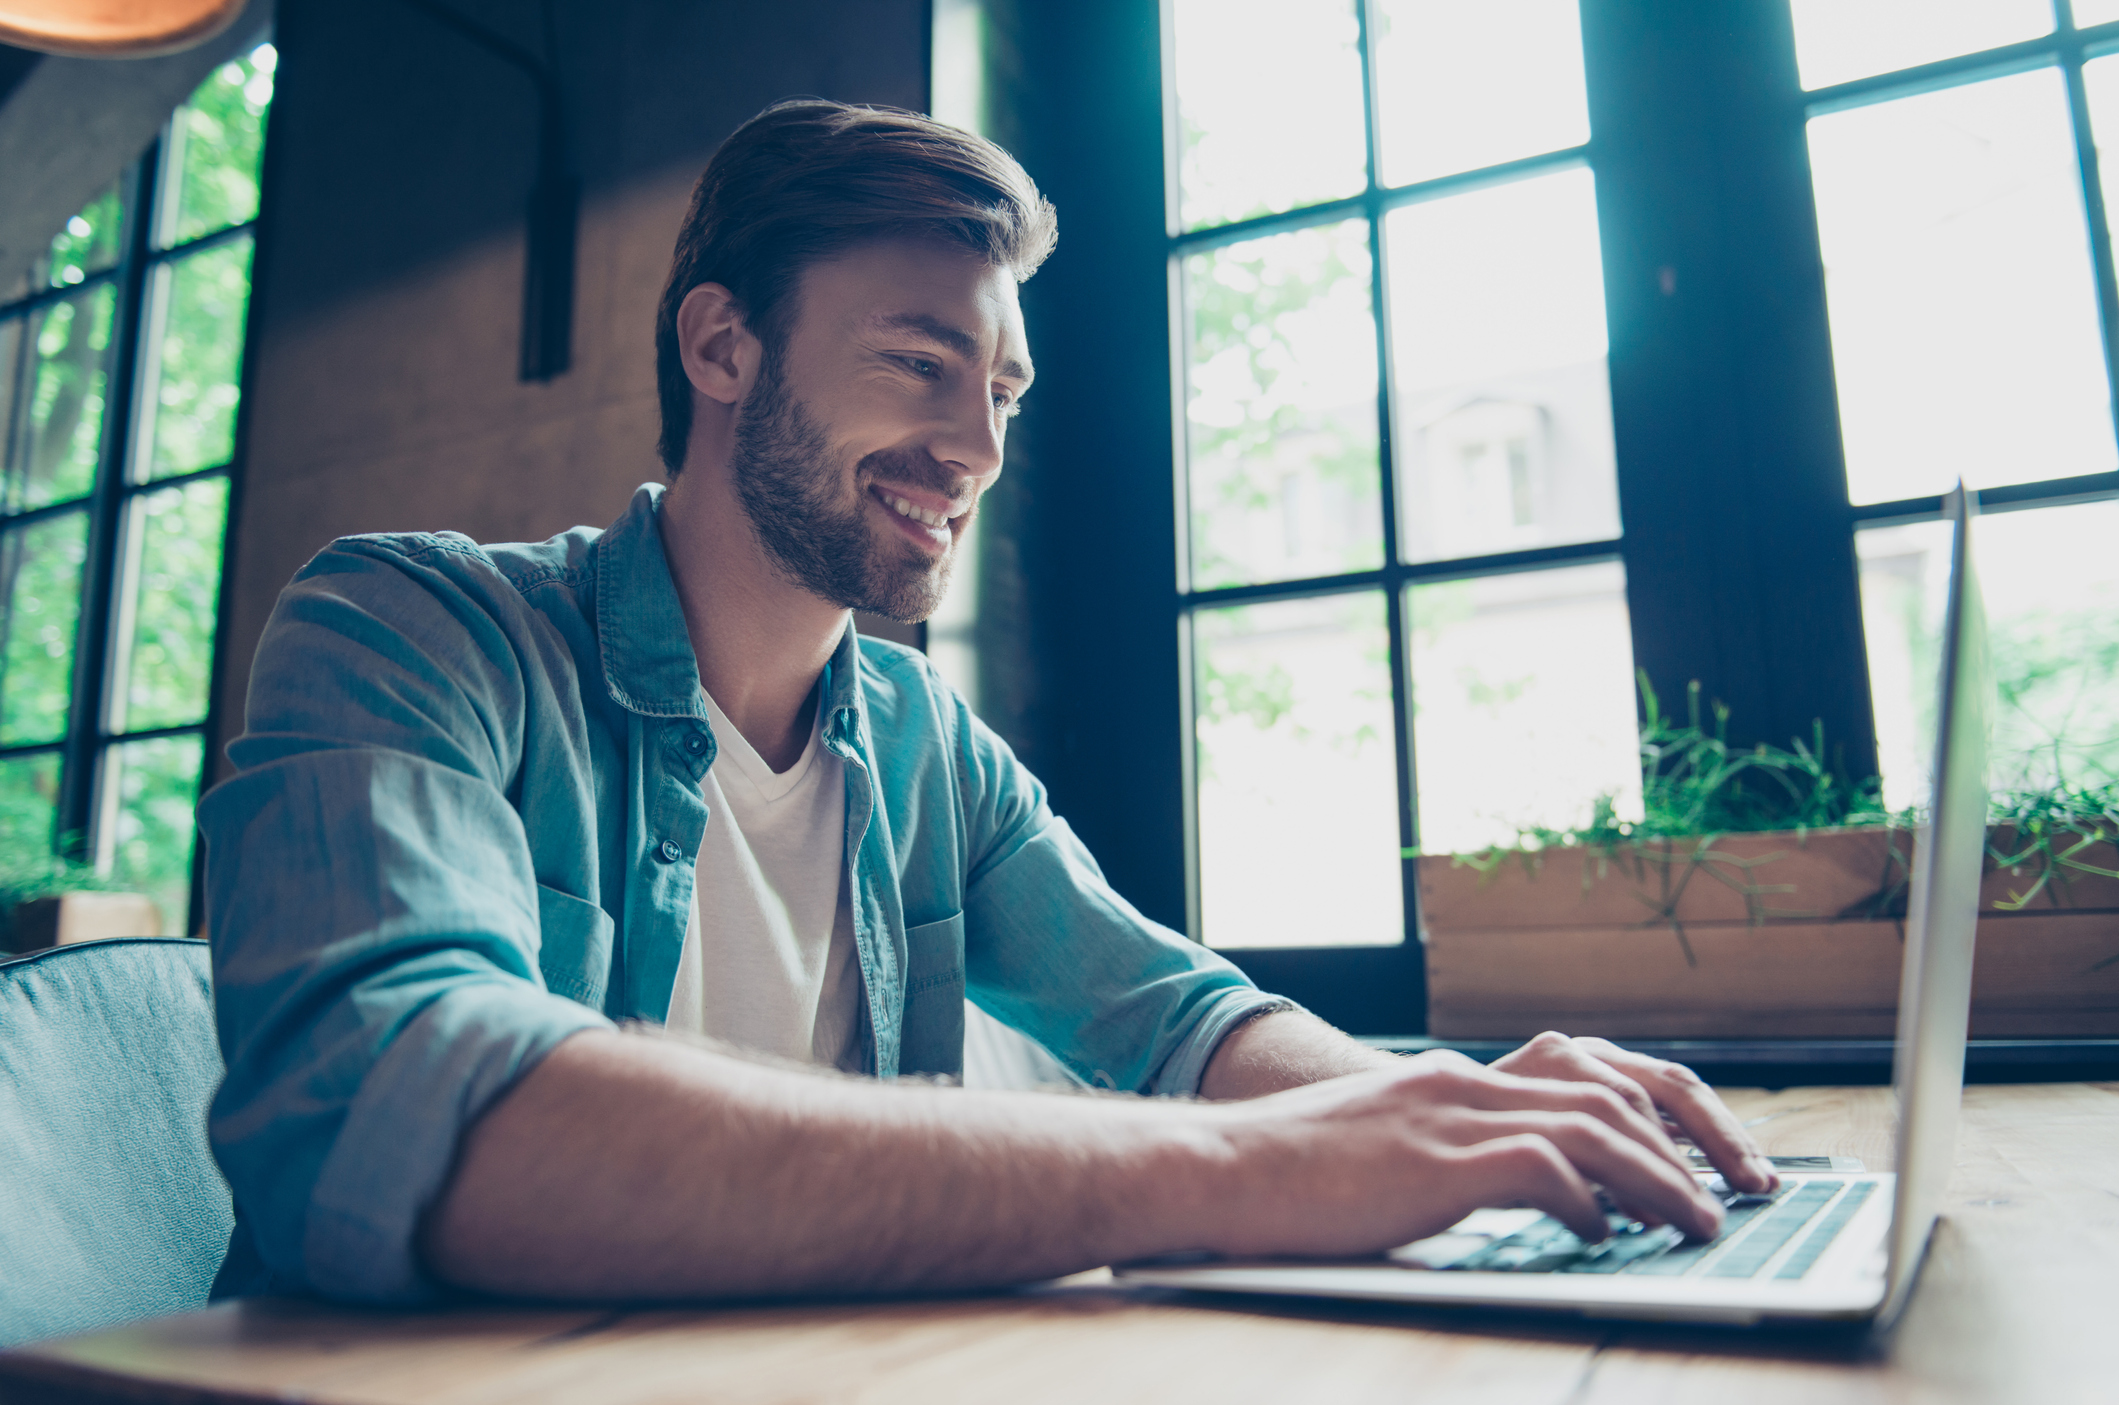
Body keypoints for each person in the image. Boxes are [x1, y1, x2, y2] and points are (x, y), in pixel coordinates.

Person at [200, 99, 1774, 1305]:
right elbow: (403, 1108)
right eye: (918, 363)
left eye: (1000, 389)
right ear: (723, 343)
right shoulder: (412, 628)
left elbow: (1182, 1021)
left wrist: (1472, 1113)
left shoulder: (923, 742)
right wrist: (1238, 1168)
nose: (977, 447)